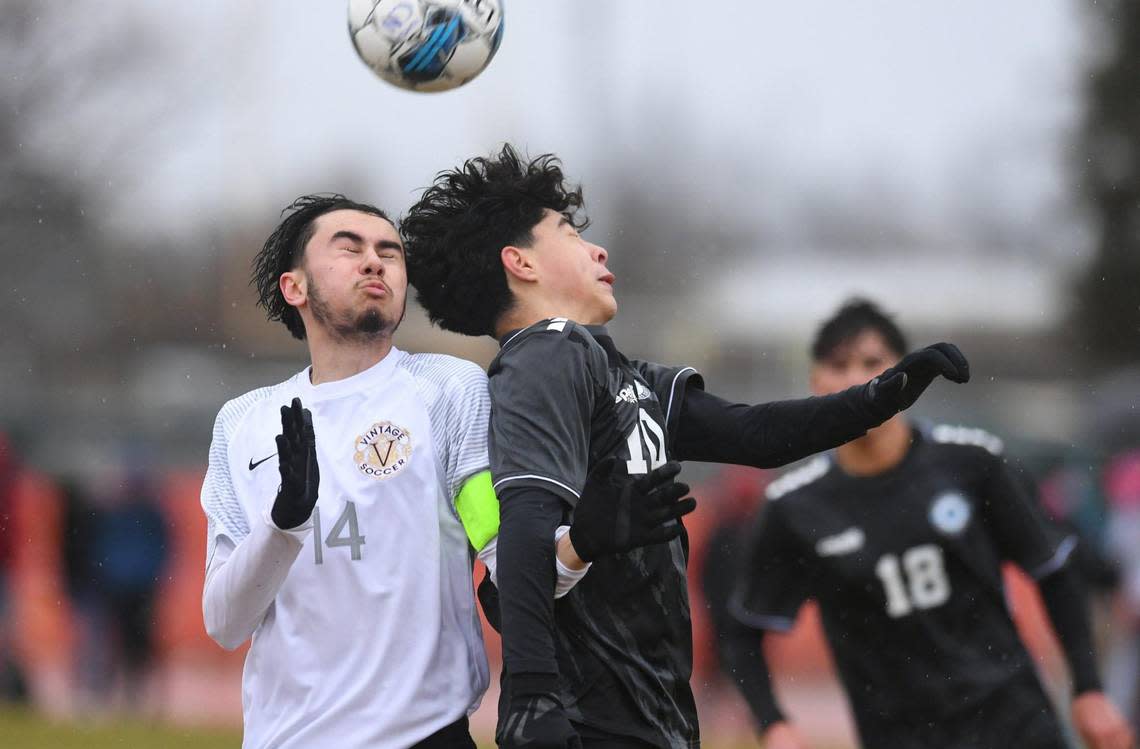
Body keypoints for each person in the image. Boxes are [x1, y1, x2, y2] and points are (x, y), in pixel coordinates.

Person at [400, 145, 970, 748]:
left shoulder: (611, 369)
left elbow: (757, 434)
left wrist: (875, 401)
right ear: (520, 263)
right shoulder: (545, 354)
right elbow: (521, 536)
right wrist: (536, 692)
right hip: (587, 720)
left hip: (645, 712)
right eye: (567, 232)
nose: (598, 249)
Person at [199, 195, 687, 749]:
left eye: (389, 252)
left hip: (426, 737)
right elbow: (225, 622)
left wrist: (582, 542)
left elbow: (506, 558)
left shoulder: (450, 391)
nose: (374, 262)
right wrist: (282, 526)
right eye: (349, 248)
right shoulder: (242, 424)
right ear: (295, 287)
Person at [718, 299, 1135, 749]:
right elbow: (742, 630)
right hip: (899, 735)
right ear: (815, 382)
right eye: (838, 365)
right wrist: (773, 724)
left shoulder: (973, 462)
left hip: (1011, 722)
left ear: (905, 375)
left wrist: (1089, 688)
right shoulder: (794, 505)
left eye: (873, 363)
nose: (858, 379)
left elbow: (1053, 570)